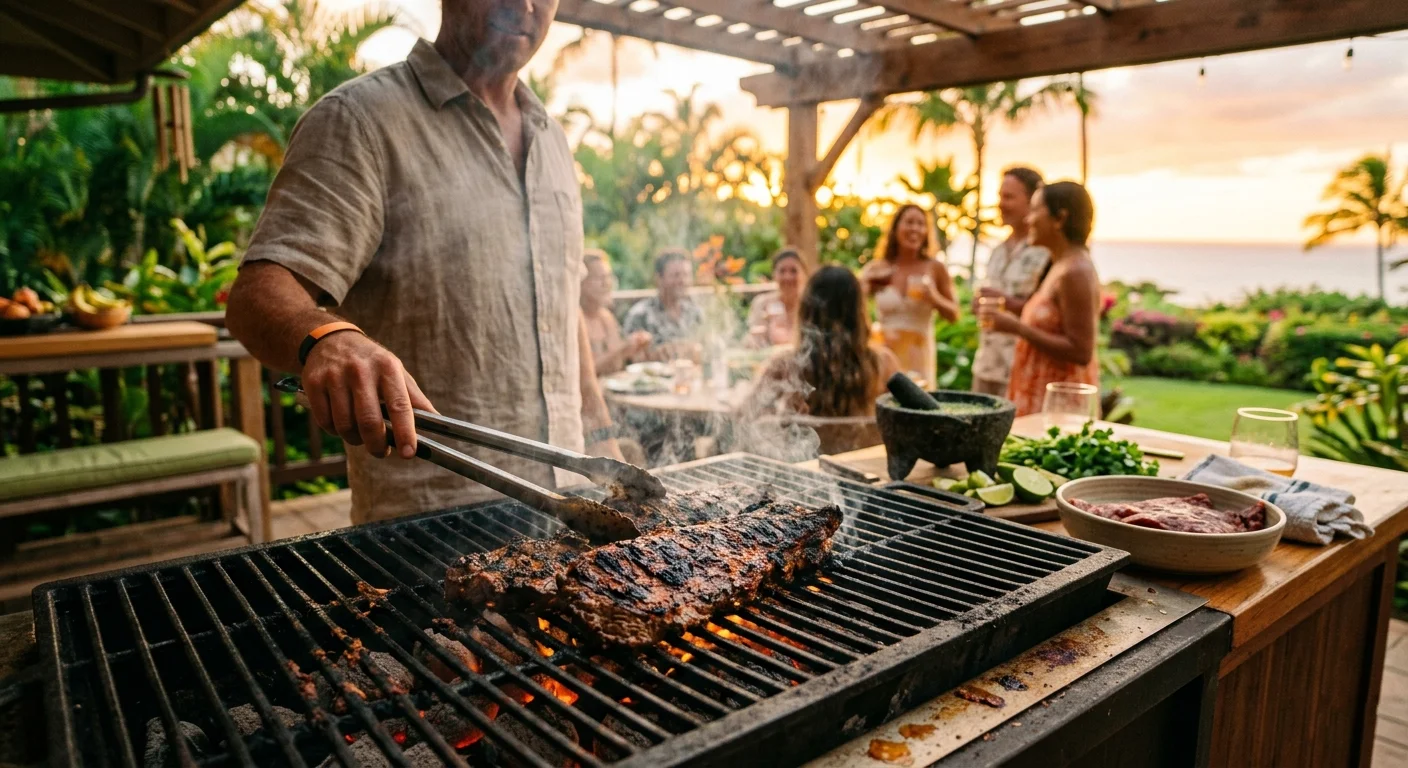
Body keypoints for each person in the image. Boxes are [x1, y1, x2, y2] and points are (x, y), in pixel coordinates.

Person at [224, 0, 623, 524]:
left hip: (571, 506)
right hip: (429, 518)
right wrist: (327, 338)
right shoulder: (360, 120)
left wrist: (602, 440)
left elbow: (561, 306)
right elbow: (257, 294)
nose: (524, 6)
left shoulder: (552, 138)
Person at [979, 181, 1101, 417]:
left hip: (1060, 409)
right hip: (1040, 398)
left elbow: (1081, 351)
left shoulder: (1076, 272)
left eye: (1035, 210)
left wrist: (1017, 328)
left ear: (1060, 218)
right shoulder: (1058, 266)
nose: (1028, 219)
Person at [745, 265, 901, 419]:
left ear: (806, 310)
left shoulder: (784, 365)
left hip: (807, 444)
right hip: (866, 445)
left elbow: (747, 415)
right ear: (859, 313)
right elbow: (911, 417)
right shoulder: (884, 365)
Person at [972, 167, 1051, 396]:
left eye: (1008, 197)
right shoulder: (997, 251)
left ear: (1031, 202)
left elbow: (1050, 315)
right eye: (999, 196)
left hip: (1022, 370)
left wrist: (1007, 304)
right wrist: (979, 305)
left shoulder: (1045, 254)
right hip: (986, 367)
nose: (1000, 204)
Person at [860, 204, 960, 386]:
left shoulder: (935, 268)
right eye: (909, 222)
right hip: (885, 350)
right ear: (895, 228)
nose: (915, 228)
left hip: (918, 354)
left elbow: (954, 314)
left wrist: (933, 297)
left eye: (921, 224)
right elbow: (852, 307)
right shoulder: (877, 268)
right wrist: (865, 286)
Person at [622, 248, 703, 361]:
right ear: (659, 279)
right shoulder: (640, 315)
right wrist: (656, 354)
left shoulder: (694, 312)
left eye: (686, 275)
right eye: (676, 275)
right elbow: (629, 359)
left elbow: (706, 348)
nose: (682, 281)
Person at [581, 249, 649, 375]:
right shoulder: (575, 320)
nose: (606, 283)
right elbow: (584, 374)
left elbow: (618, 363)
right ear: (581, 282)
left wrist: (634, 350)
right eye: (599, 278)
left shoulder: (606, 317)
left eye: (608, 276)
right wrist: (622, 351)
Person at [746, 248, 808, 348]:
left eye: (794, 271)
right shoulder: (762, 303)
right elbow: (752, 340)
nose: (787, 277)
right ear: (774, 275)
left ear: (804, 274)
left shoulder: (811, 305)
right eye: (782, 271)